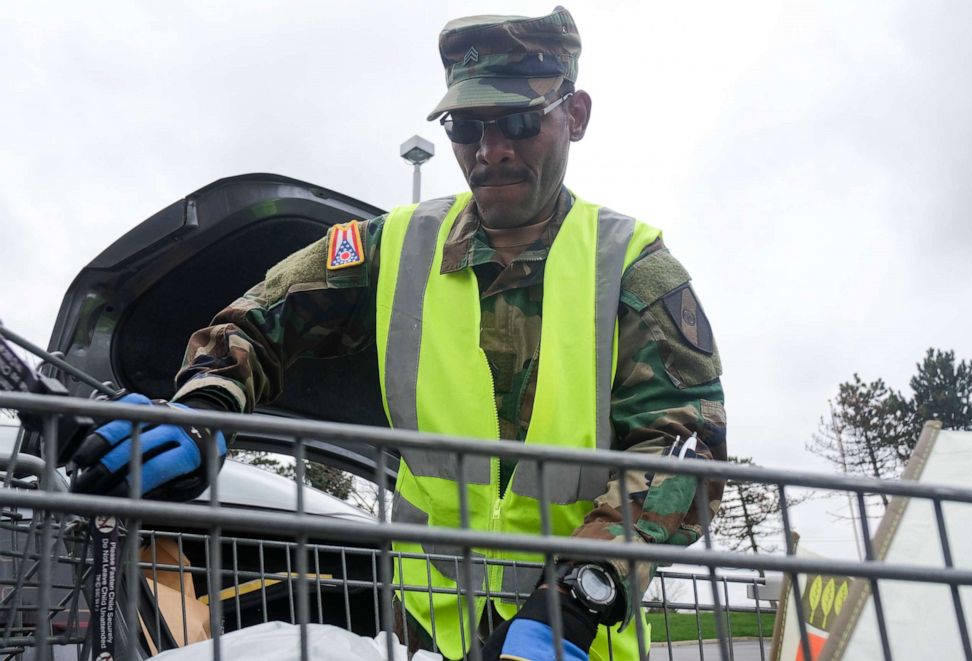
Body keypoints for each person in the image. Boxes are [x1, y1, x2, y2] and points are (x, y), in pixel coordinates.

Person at [71, 6, 727, 661]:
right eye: (466, 127)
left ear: (576, 114)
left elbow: (686, 452)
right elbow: (256, 323)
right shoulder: (393, 248)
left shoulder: (634, 269)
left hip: (572, 638)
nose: (490, 150)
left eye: (520, 122)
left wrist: (575, 602)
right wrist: (201, 410)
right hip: (418, 627)